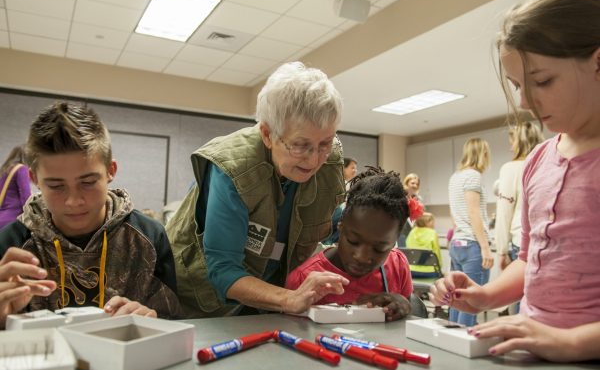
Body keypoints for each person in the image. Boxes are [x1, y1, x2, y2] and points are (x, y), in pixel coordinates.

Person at [430, 0, 600, 362]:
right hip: (534, 358)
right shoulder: (538, 160)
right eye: (518, 86)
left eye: (542, 82)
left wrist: (572, 342)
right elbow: (531, 259)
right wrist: (486, 295)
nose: (525, 102)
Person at [166, 62, 348, 318]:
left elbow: (345, 233)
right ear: (267, 134)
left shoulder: (329, 163)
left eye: (324, 144)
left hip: (264, 301)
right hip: (197, 304)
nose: (314, 159)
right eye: (300, 145)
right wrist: (289, 298)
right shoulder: (233, 169)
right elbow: (223, 271)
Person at [0, 102, 181, 329]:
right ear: (34, 179)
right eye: (56, 186)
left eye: (87, 182)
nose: (74, 201)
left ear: (110, 171)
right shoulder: (11, 245)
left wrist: (152, 319)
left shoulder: (149, 237)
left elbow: (172, 319)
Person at [286, 166, 418, 321]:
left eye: (379, 248)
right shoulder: (305, 279)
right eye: (353, 241)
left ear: (393, 243)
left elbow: (408, 325)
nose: (362, 257)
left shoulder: (397, 266)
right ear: (340, 228)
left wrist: (403, 305)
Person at [446, 137, 493, 326]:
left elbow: (454, 214)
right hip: (472, 245)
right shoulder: (473, 176)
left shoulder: (455, 177)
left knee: (457, 298)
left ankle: (450, 339)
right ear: (482, 154)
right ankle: (464, 344)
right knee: (472, 302)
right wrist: (485, 248)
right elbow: (474, 212)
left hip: (457, 243)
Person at [495, 122, 544, 272]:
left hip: (522, 244)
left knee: (521, 295)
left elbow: (504, 212)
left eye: (513, 143)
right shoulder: (546, 165)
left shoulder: (511, 168)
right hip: (545, 243)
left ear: (521, 143)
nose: (511, 148)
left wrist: (501, 250)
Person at [0, 145, 32, 230]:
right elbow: (26, 196)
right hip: (14, 218)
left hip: (2, 216)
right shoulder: (21, 169)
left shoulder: (4, 170)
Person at [406, 212, 442, 278]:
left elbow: (409, 249)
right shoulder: (432, 233)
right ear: (428, 222)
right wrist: (440, 269)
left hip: (411, 271)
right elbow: (437, 254)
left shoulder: (412, 232)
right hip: (430, 272)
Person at [397, 172, 421, 247]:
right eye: (413, 183)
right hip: (402, 229)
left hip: (414, 230)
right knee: (403, 250)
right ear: (407, 183)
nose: (415, 186)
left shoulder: (418, 199)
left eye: (417, 184)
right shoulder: (401, 196)